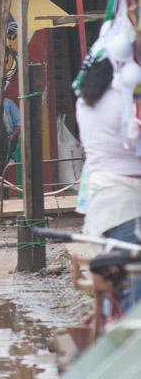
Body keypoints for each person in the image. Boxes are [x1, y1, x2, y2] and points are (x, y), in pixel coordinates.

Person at [77, 58, 141, 312]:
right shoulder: (123, 100)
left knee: (116, 284)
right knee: (132, 294)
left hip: (103, 204)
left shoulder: (87, 99)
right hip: (127, 207)